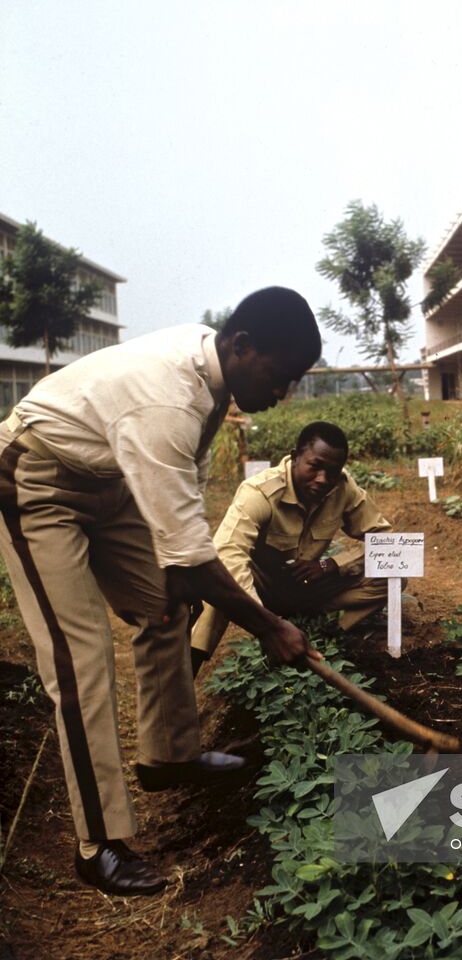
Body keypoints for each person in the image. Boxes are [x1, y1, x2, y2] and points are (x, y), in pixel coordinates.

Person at [0, 287, 322, 896]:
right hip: (35, 477)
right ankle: (99, 846)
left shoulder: (209, 371)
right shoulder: (167, 399)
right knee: (81, 657)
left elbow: (184, 514)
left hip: (108, 478)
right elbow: (197, 556)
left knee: (166, 604)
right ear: (243, 345)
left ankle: (169, 756)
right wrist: (270, 626)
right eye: (280, 378)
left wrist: (176, 572)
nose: (281, 396)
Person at [190, 421, 393, 670]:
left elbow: (386, 541)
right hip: (263, 591)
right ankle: (191, 662)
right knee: (221, 581)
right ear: (295, 457)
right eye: (315, 467)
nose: (323, 479)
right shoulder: (260, 492)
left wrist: (331, 565)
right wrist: (266, 625)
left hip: (308, 587)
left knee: (392, 573)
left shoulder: (342, 487)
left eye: (332, 471)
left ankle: (321, 633)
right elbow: (227, 553)